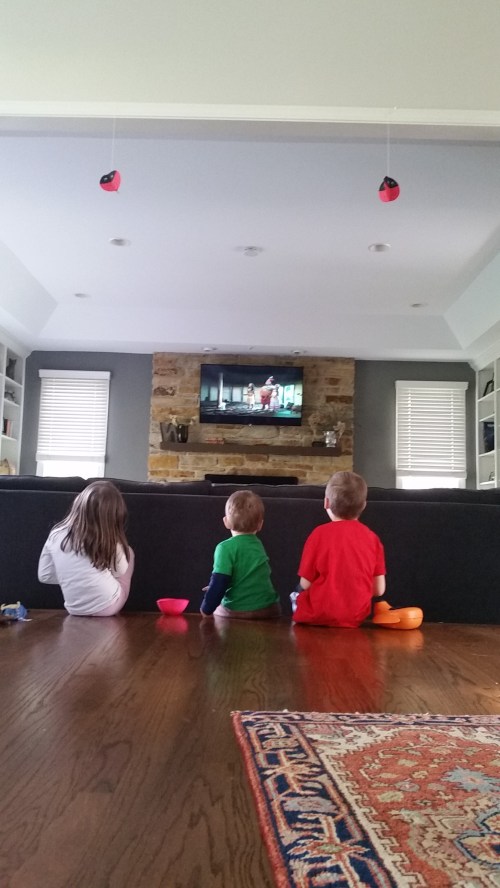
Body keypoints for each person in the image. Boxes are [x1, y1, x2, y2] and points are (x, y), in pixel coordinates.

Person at [292, 471, 385, 628]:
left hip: (317, 614)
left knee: (297, 592)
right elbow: (379, 590)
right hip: (355, 616)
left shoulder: (318, 534)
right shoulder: (373, 538)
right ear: (363, 505)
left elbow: (305, 584)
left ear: (326, 503)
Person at [38, 480, 135, 617]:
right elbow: (120, 571)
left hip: (74, 608)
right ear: (115, 515)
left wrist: (74, 576)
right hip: (108, 605)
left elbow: (44, 576)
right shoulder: (112, 541)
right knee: (129, 552)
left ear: (78, 505)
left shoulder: (56, 534)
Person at [200, 490, 281, 619]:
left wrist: (206, 609)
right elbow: (247, 577)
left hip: (238, 610)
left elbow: (220, 582)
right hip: (269, 608)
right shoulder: (257, 544)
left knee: (217, 611)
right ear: (260, 524)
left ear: (226, 521)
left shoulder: (224, 548)